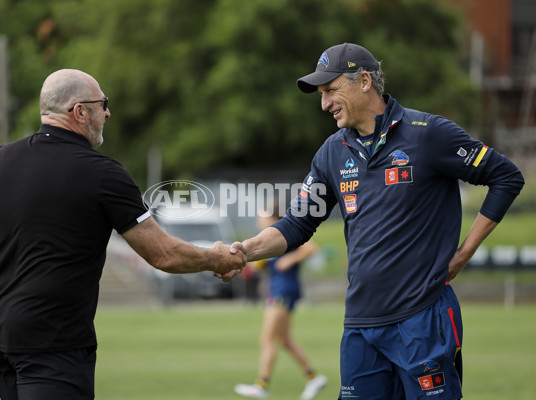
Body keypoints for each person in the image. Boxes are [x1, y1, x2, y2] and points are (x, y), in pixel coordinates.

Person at [221, 43, 525, 399]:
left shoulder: (427, 133)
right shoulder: (331, 153)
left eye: (330, 91)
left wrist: (464, 253)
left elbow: (506, 177)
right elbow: (296, 224)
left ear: (364, 81)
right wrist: (244, 250)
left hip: (423, 320)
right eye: (321, 95)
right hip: (361, 328)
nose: (324, 104)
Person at [0, 68, 246, 400]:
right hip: (53, 344)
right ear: (79, 111)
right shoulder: (103, 173)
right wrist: (216, 258)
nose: (108, 112)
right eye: (103, 104)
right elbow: (163, 254)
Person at [234, 206, 327, 400]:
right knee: (284, 339)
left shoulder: (286, 233)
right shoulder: (268, 239)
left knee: (267, 339)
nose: (259, 220)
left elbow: (311, 248)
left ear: (275, 217)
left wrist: (291, 259)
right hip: (279, 289)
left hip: (283, 290)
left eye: (263, 216)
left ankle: (262, 385)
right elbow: (261, 266)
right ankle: (313, 377)